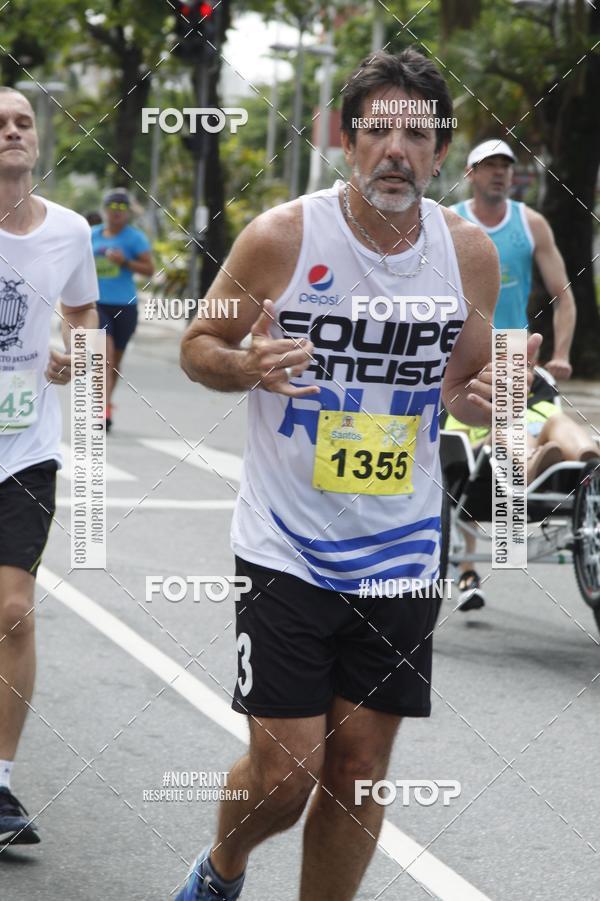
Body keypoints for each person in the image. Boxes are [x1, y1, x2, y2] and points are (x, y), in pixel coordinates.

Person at [177, 50, 540, 901]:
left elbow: (463, 389)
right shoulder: (284, 237)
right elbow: (198, 346)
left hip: (403, 546)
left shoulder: (469, 256)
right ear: (347, 141)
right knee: (286, 772)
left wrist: (487, 403)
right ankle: (221, 869)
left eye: (416, 134)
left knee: (361, 764)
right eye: (378, 130)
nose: (395, 151)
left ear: (440, 152)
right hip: (287, 542)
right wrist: (248, 365)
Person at [0, 87, 99, 844]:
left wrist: (76, 358)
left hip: (25, 447)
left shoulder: (69, 230)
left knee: (11, 610)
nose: (12, 131)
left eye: (23, 121)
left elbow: (82, 317)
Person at [444, 377, 598, 611]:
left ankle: (590, 461)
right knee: (506, 424)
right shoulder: (469, 392)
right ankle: (530, 463)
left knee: (558, 421)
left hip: (555, 472)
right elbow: (455, 447)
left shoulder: (542, 394)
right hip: (487, 475)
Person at [450, 139, 576, 381]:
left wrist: (561, 355)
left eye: (505, 166)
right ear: (470, 173)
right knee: (453, 418)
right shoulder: (449, 222)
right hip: (458, 346)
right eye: (489, 165)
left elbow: (563, 295)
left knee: (506, 418)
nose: (499, 172)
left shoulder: (532, 223)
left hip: (513, 346)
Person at [91, 188, 154, 431]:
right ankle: (102, 410)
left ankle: (106, 403)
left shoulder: (134, 238)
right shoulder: (91, 235)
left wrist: (124, 262)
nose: (116, 212)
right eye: (112, 207)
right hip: (97, 304)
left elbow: (149, 269)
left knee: (115, 362)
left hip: (125, 306)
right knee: (104, 359)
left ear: (127, 212)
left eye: (121, 208)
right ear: (104, 209)